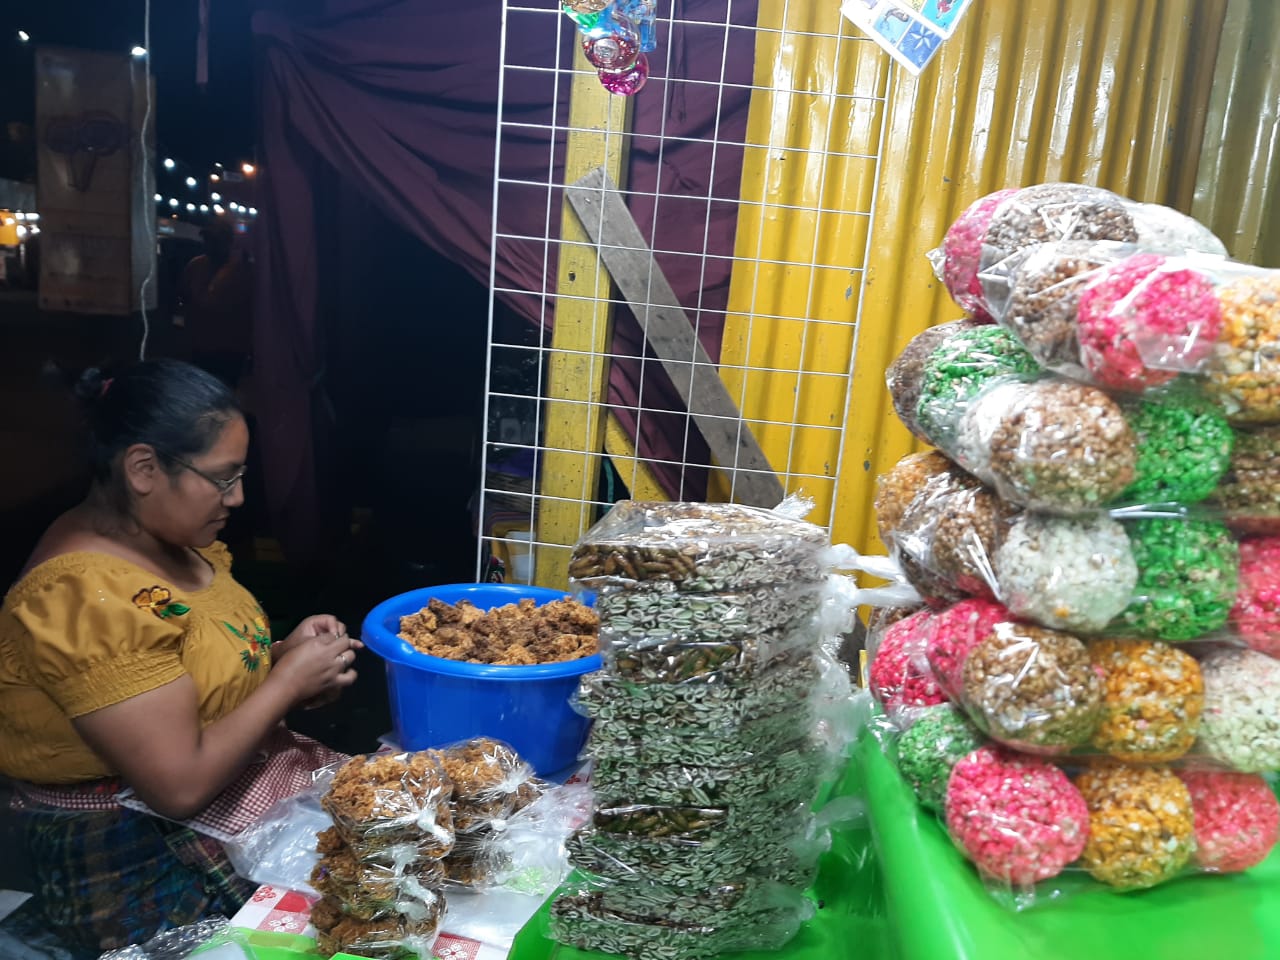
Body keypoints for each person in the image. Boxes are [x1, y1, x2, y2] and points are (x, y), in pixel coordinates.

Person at [0, 360, 361, 955]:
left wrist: (277, 659)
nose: (239, 497)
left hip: (209, 806)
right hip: (134, 854)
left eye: (242, 475)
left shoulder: (163, 543)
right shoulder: (84, 598)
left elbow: (179, 668)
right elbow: (178, 786)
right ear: (143, 468)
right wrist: (284, 687)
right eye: (223, 479)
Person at [178, 220, 253, 390]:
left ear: (228, 242)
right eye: (208, 239)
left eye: (216, 240)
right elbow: (184, 297)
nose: (210, 245)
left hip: (231, 349)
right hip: (200, 346)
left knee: (225, 391)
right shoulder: (195, 266)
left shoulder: (243, 270)